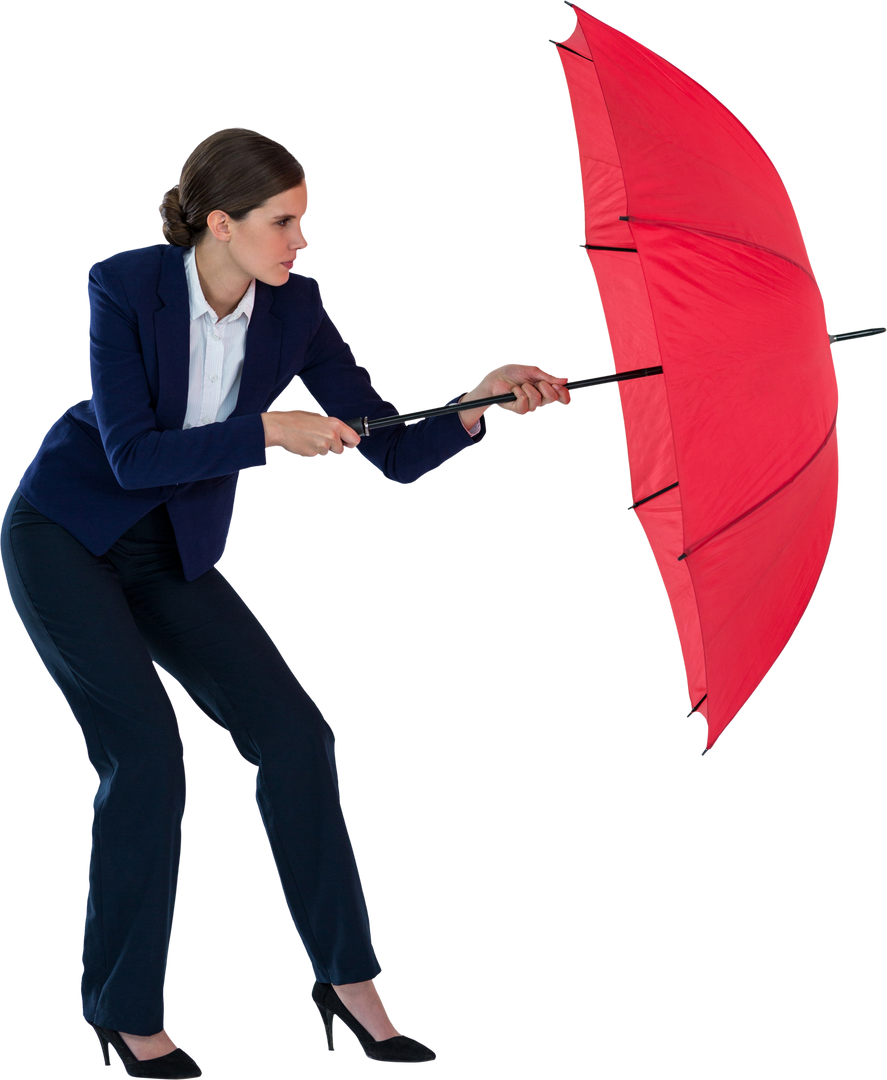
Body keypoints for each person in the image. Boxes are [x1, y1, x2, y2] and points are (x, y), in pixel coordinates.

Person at [0, 125, 572, 1076]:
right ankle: (124, 1012)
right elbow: (130, 453)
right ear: (219, 224)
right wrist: (267, 428)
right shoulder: (123, 282)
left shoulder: (295, 306)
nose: (301, 242)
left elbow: (382, 444)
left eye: (303, 222)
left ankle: (346, 983)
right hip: (66, 534)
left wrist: (476, 403)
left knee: (298, 735)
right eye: (283, 222)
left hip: (173, 553)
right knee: (145, 755)